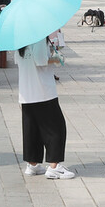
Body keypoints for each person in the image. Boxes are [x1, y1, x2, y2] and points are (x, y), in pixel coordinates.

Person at [16, 36, 75, 179]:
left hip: (26, 92)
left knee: (32, 129)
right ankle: (54, 167)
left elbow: (18, 61)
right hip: (43, 91)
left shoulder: (19, 39)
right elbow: (41, 61)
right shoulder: (38, 37)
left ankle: (33, 164)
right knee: (56, 127)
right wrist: (56, 59)